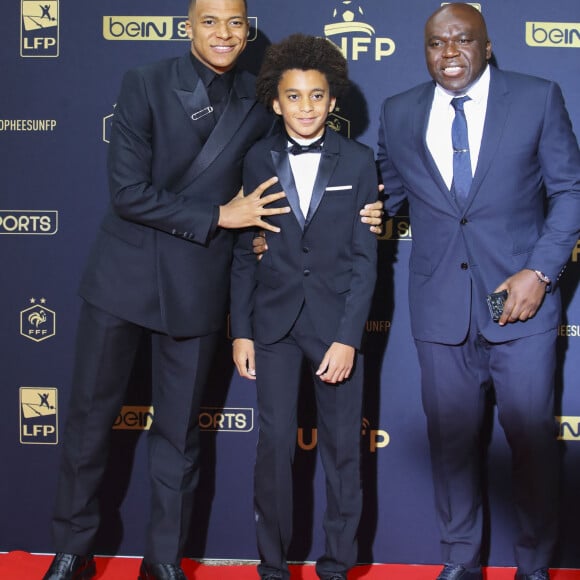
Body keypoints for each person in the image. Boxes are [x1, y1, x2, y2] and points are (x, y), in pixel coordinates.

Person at [41, 0, 293, 579]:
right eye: (210, 21)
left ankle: (162, 560)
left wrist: (362, 206)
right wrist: (218, 218)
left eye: (235, 22)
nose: (224, 33)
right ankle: (73, 548)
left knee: (178, 437)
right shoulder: (146, 82)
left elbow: (285, 179)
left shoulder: (261, 101)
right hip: (121, 280)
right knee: (86, 422)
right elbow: (127, 193)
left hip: (197, 289)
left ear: (247, 30)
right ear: (189, 28)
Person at [376, 4, 580, 580]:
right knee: (451, 445)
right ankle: (460, 560)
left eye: (463, 41)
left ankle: (535, 565)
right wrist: (297, 229)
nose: (449, 54)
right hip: (441, 306)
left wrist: (540, 272)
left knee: (533, 444)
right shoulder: (399, 112)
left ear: (487, 46)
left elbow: (571, 191)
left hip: (518, 303)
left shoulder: (537, 97)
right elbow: (379, 198)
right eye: (436, 43)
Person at [230, 34, 378, 580]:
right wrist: (240, 331)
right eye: (294, 97)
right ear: (275, 101)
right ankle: (272, 566)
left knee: (342, 450)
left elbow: (367, 261)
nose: (306, 107)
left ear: (333, 101)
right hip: (272, 327)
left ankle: (337, 564)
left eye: (316, 96)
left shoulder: (360, 161)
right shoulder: (255, 159)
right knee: (272, 448)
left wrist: (348, 338)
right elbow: (246, 252)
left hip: (335, 327)